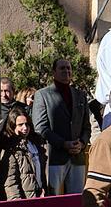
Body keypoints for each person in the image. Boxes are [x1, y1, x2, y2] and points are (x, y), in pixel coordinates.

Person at [31, 58, 90, 195]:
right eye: (62, 68)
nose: (66, 71)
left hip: (77, 157)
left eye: (69, 68)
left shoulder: (80, 95)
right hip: (54, 157)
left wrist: (81, 143)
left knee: (76, 200)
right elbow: (40, 127)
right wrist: (63, 144)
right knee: (53, 199)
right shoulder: (42, 95)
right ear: (54, 72)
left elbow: (86, 126)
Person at [0, 107, 46, 200]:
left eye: (27, 124)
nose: (25, 128)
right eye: (20, 125)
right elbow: (10, 181)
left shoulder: (36, 143)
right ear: (12, 126)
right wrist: (16, 202)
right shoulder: (9, 149)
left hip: (39, 196)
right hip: (23, 200)